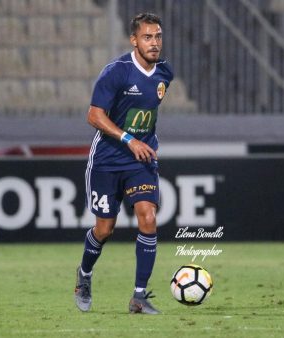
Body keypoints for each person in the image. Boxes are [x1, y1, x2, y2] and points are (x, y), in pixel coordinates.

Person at [74, 13, 173, 315]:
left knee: (148, 217)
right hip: (107, 160)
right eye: (147, 37)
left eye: (157, 36)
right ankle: (84, 275)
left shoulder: (165, 73)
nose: (154, 43)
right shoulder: (116, 72)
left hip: (141, 160)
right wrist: (129, 138)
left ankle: (139, 297)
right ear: (134, 40)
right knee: (105, 229)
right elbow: (94, 116)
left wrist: (142, 143)